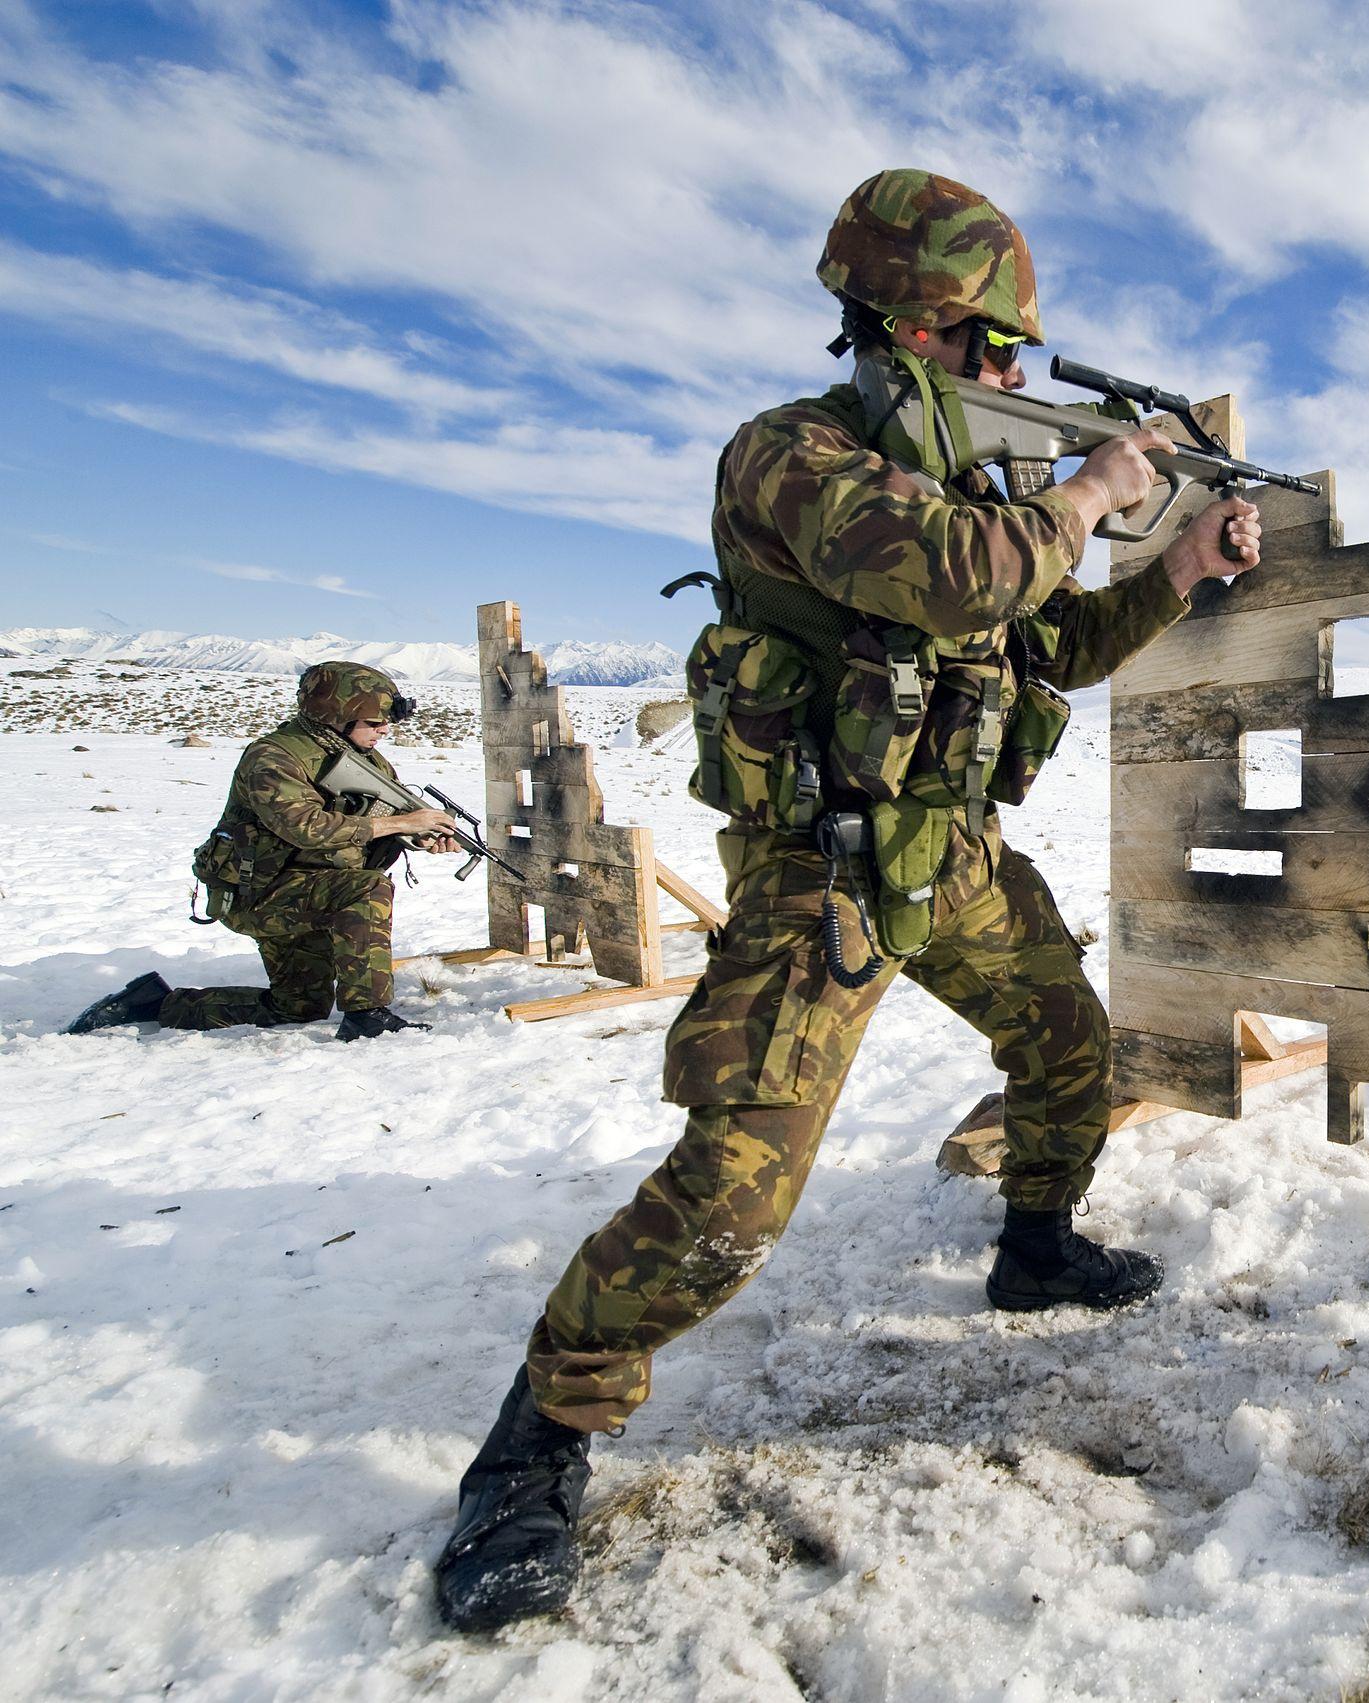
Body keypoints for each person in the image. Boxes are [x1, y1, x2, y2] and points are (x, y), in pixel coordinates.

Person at [433, 169, 1263, 1633]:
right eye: (996, 346)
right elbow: (961, 579)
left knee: (1067, 1036)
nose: (1012, 373)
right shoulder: (791, 457)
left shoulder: (966, 480)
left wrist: (1180, 565)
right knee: (731, 1197)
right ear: (916, 322)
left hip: (952, 852)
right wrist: (1086, 490)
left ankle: (1037, 1241)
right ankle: (538, 1436)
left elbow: (1045, 640)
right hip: (822, 870)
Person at [66, 661, 459, 1042]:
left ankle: (155, 1003)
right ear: (336, 716)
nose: (384, 731)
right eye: (374, 723)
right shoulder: (273, 757)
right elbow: (305, 827)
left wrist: (421, 837)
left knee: (298, 1007)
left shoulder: (369, 762)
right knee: (367, 888)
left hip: (315, 890)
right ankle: (367, 1016)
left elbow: (381, 821)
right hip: (262, 893)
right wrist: (402, 825)